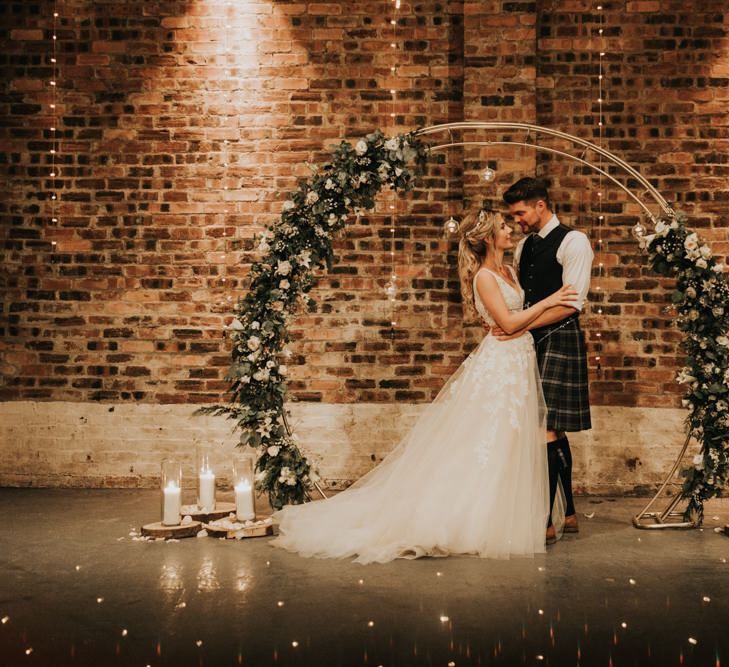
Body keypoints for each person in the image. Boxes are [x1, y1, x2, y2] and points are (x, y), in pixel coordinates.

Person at [270, 210, 577, 564]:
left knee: (511, 440)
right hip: (501, 363)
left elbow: (514, 322)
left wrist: (520, 323)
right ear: (489, 237)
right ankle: (469, 516)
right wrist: (550, 302)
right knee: (488, 437)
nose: (511, 230)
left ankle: (508, 511)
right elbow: (507, 322)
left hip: (518, 359)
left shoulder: (509, 270)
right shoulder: (484, 277)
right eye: (503, 227)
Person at [500, 177, 594, 544]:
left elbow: (571, 302)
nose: (517, 220)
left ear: (540, 205)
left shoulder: (574, 241)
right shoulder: (523, 248)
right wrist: (516, 327)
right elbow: (526, 299)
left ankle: (545, 521)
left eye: (520, 212)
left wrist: (519, 326)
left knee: (547, 430)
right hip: (529, 341)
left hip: (560, 338)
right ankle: (568, 513)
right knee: (550, 428)